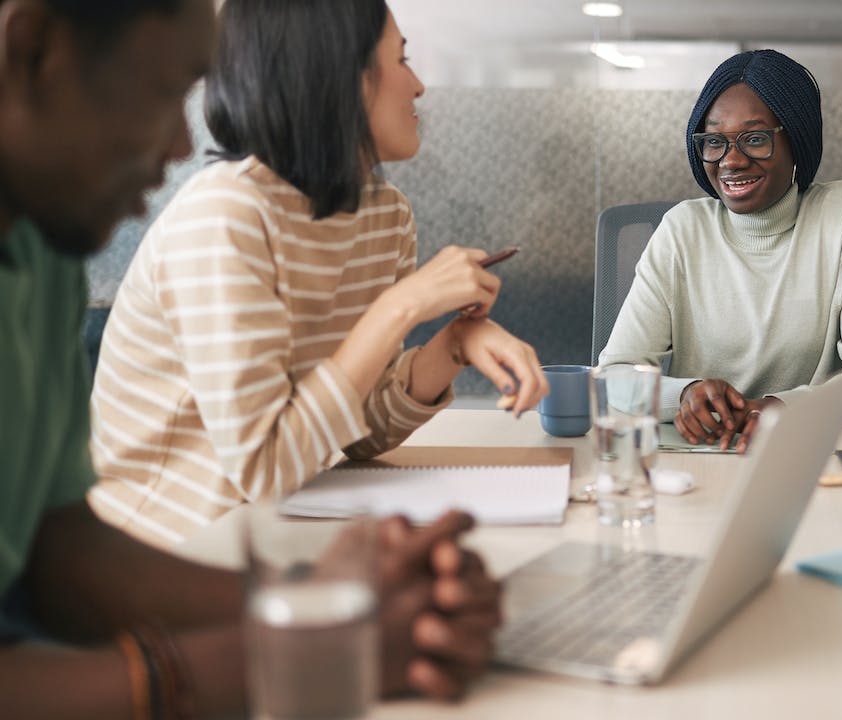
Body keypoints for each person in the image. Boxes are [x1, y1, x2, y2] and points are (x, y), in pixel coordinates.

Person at [0, 0, 500, 715]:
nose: (181, 143)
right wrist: (309, 644)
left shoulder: (45, 251)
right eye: (163, 90)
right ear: (36, 50)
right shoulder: (221, 215)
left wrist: (326, 602)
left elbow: (62, 554)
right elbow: (261, 464)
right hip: (199, 531)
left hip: (253, 533)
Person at [89, 0, 548, 549]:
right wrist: (401, 305)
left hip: (275, 534)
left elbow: (360, 431)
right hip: (159, 550)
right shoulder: (226, 216)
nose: (420, 85)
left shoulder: (385, 215)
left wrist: (452, 346)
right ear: (345, 79)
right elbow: (263, 469)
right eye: (401, 61)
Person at [597, 49, 842, 452]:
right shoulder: (682, 231)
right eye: (715, 142)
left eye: (755, 139)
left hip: (805, 457)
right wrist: (683, 396)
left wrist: (784, 409)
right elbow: (612, 377)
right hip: (698, 461)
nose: (732, 161)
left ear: (796, 139)